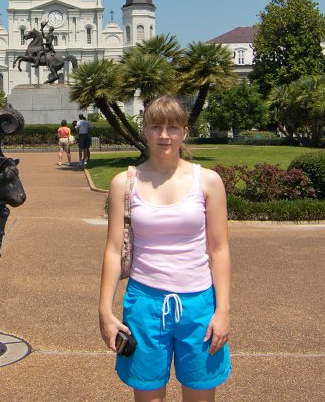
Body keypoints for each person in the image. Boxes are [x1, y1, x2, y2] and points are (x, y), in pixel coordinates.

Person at [98, 96, 231, 402]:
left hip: (198, 304)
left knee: (199, 395)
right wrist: (104, 309)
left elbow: (220, 249)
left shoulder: (208, 181)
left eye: (173, 127)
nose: (164, 135)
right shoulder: (125, 183)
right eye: (156, 126)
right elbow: (114, 249)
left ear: (185, 132)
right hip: (145, 303)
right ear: (144, 131)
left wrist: (222, 310)